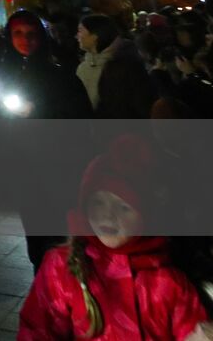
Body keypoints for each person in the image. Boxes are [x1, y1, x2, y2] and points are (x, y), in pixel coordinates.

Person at [18, 135, 211, 340]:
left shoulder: (169, 280)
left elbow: (190, 328)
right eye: (98, 202)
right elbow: (37, 328)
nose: (107, 215)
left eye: (124, 207)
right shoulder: (63, 267)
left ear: (147, 216)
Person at [75, 14, 156, 119]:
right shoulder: (83, 68)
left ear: (95, 35)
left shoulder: (125, 63)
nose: (77, 36)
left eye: (80, 31)